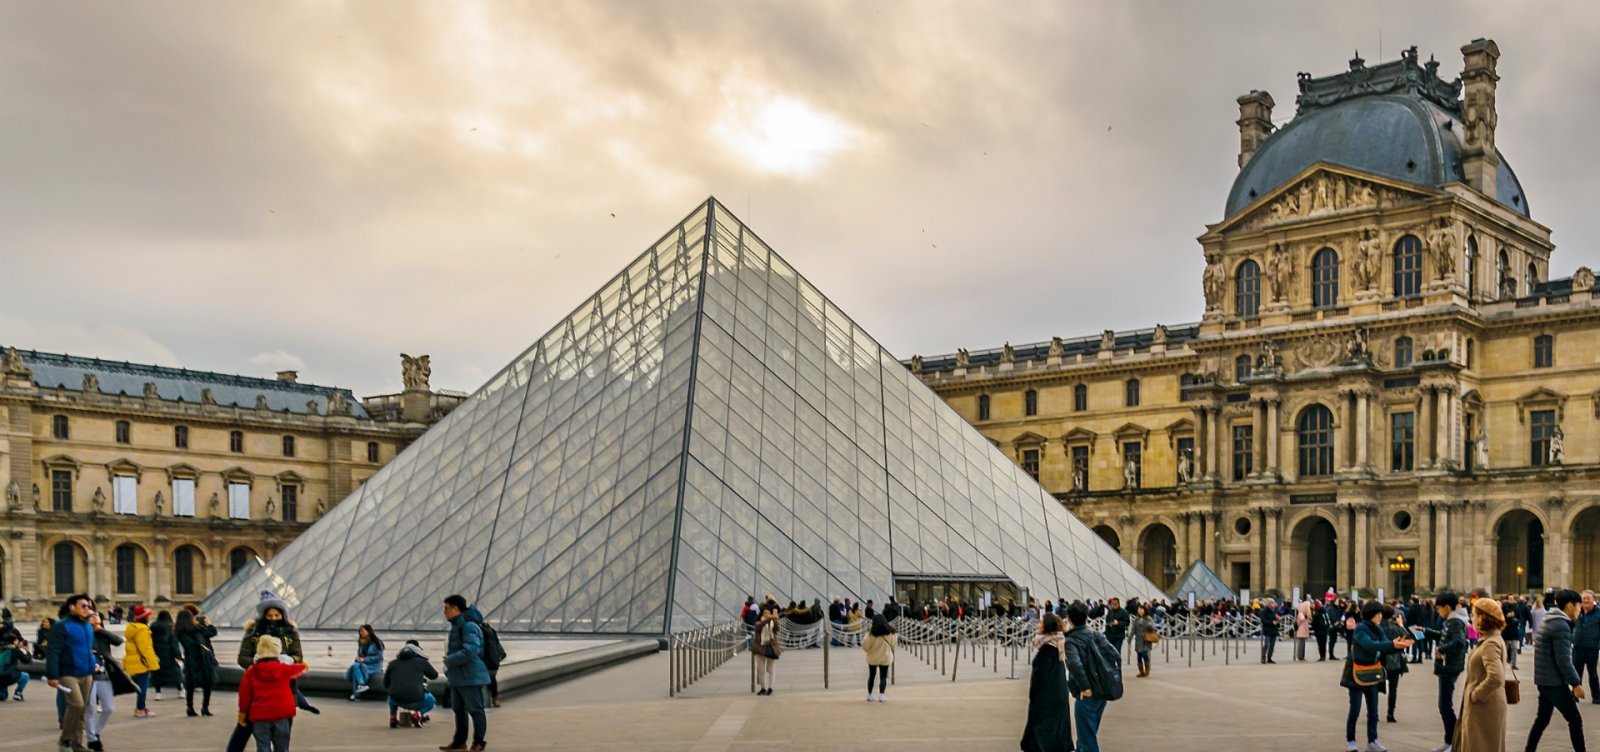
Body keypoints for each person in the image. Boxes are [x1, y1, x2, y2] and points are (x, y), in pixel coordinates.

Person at [1341, 600, 1413, 752]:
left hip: (1373, 672)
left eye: (1381, 613)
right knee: (1355, 709)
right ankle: (1351, 741)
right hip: (1356, 673)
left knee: (1373, 710)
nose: (1380, 616)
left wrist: (1398, 646)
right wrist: (1392, 645)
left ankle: (1372, 741)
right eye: (1378, 614)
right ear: (1370, 614)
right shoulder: (1360, 628)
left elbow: (1385, 645)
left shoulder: (1378, 629)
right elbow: (1370, 646)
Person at [1524, 589, 1587, 752]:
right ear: (1570, 606)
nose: (1580, 610)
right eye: (1579, 606)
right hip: (1554, 681)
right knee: (1575, 719)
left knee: (1542, 719)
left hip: (1544, 679)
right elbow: (1564, 660)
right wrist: (1576, 683)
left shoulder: (1550, 619)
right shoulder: (1561, 626)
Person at [237, 591, 317, 716]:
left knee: (285, 719)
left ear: (283, 615)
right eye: (269, 615)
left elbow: (298, 656)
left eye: (277, 615)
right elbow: (242, 658)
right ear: (264, 615)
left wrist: (288, 661)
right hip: (259, 683)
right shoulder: (253, 632)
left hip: (285, 683)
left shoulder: (291, 632)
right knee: (246, 725)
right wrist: (258, 663)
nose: (273, 618)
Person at [46, 594, 98, 752]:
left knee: (82, 710)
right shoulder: (62, 626)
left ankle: (77, 744)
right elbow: (53, 651)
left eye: (88, 606)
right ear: (72, 607)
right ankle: (65, 741)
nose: (87, 609)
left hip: (86, 673)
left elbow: (88, 650)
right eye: (83, 606)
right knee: (76, 705)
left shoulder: (88, 627)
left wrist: (93, 664)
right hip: (68, 672)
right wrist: (52, 675)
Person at [1063, 602, 1118, 752]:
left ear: (1068, 618)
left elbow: (1074, 664)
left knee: (1087, 739)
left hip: (1087, 693)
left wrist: (1085, 687)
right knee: (1087, 734)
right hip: (1102, 689)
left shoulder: (1071, 640)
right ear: (1087, 617)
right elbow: (1115, 655)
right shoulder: (1097, 635)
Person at [1454, 598, 1507, 752]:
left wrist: (1477, 694)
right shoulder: (1491, 639)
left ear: (1483, 618)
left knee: (1479, 746)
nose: (1472, 618)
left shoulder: (1490, 643)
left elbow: (1496, 676)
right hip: (1486, 704)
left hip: (1484, 706)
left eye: (1474, 615)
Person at [238, 635, 307, 752]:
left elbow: (244, 695)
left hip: (260, 715)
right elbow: (301, 668)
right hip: (282, 714)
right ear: (278, 650)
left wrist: (242, 713)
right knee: (282, 747)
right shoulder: (285, 669)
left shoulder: (251, 672)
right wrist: (294, 661)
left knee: (263, 747)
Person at [1422, 591, 1470, 752]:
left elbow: (1459, 642)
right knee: (1444, 705)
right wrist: (1426, 631)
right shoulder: (1451, 620)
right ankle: (1450, 741)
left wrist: (1441, 649)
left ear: (1447, 607)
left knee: (1445, 706)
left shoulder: (1455, 621)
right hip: (1448, 666)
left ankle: (1454, 741)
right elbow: (1446, 636)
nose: (1437, 611)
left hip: (1449, 666)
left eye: (1439, 608)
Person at [441, 594, 490, 752]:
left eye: (446, 608)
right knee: (459, 710)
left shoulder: (468, 626)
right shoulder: (457, 626)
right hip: (458, 676)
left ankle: (478, 742)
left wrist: (450, 660)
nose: (444, 612)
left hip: (470, 676)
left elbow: (471, 650)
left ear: (456, 609)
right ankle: (459, 741)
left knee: (475, 710)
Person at [1021, 612, 1072, 752]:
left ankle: (1039, 745)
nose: (1039, 625)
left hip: (1045, 693)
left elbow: (1041, 675)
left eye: (1041, 623)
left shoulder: (1046, 649)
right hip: (1059, 690)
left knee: (1042, 719)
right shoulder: (1060, 643)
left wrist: (1033, 693)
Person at [84, 611, 124, 752]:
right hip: (89, 674)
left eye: (97, 616)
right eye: (92, 616)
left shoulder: (102, 634)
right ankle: (92, 739)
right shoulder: (84, 634)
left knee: (108, 708)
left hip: (104, 674)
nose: (96, 617)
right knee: (90, 709)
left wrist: (100, 630)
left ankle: (96, 731)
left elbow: (118, 641)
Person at [385, 640, 438, 729]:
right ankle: (418, 714)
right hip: (415, 700)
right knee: (431, 700)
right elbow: (434, 675)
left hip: (396, 699)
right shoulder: (421, 662)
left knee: (391, 695)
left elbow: (386, 684)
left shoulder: (392, 663)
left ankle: (393, 717)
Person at [176, 606, 218, 717]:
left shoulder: (178, 631)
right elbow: (212, 632)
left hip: (190, 659)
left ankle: (190, 708)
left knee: (190, 684)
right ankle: (205, 708)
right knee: (208, 682)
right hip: (203, 659)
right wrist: (208, 623)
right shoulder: (197, 628)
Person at [121, 605, 160, 718]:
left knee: (141, 685)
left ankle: (141, 708)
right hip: (142, 662)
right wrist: (152, 662)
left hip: (133, 660)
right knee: (143, 686)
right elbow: (145, 648)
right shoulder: (142, 630)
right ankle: (140, 709)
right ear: (145, 618)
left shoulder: (132, 628)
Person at [1380, 605, 1410, 724]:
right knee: (1393, 689)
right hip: (1394, 661)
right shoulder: (1395, 628)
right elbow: (1407, 637)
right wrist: (1401, 625)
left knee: (1374, 688)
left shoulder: (1377, 627)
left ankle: (1373, 713)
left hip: (1379, 660)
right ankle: (1390, 713)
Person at [861, 613, 897, 702]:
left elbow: (865, 646)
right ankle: (882, 695)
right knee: (883, 676)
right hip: (885, 656)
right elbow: (893, 645)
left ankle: (870, 694)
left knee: (872, 675)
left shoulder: (871, 633)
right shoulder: (891, 632)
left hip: (873, 657)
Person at [150, 610, 183, 704]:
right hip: (169, 655)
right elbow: (174, 644)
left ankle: (158, 693)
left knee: (157, 675)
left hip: (157, 655)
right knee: (175, 674)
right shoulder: (170, 627)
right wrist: (178, 656)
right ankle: (181, 691)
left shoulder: (153, 627)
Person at [345, 625, 385, 701]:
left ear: (368, 631)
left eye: (362, 631)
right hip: (363, 664)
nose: (360, 632)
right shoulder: (361, 642)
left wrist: (364, 660)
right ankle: (361, 684)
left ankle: (355, 694)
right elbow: (360, 655)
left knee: (356, 669)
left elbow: (378, 657)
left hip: (374, 666)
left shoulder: (377, 643)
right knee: (356, 666)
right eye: (359, 631)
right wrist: (358, 659)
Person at [1574, 590, 1598, 705]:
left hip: (1592, 647)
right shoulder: (1577, 611)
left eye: (1588, 598)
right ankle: (1574, 695)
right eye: (1584, 598)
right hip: (1577, 647)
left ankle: (1596, 696)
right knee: (1576, 672)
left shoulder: (1598, 613)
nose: (1586, 600)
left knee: (1592, 673)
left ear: (1593, 600)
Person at [753, 605, 780, 696]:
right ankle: (763, 688)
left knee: (771, 669)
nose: (767, 614)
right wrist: (770, 618)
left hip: (771, 647)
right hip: (760, 648)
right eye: (765, 613)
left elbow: (776, 630)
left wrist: (775, 621)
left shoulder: (773, 621)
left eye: (769, 613)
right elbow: (759, 627)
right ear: (761, 613)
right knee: (761, 669)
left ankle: (770, 688)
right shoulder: (758, 622)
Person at [1, 631, 32, 702]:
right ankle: (18, 693)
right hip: (9, 676)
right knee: (25, 676)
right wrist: (27, 651)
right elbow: (26, 660)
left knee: (3, 696)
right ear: (14, 641)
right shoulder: (14, 650)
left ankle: (2, 693)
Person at [1130, 606, 1155, 678]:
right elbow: (1133, 629)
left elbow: (1153, 628)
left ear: (1144, 610)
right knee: (1139, 656)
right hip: (1138, 640)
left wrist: (1150, 626)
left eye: (1142, 610)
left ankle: (1147, 669)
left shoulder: (1148, 618)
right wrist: (1130, 638)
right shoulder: (1136, 619)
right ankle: (1141, 672)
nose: (1140, 611)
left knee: (1144, 654)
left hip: (1146, 639)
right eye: (1139, 610)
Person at [1260, 599, 1280, 664]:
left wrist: (1278, 621)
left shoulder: (1274, 611)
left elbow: (1275, 619)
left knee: (1272, 645)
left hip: (1274, 630)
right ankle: (1263, 658)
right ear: (1269, 603)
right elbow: (1263, 620)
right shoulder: (1264, 611)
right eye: (1273, 603)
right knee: (1266, 644)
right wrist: (1272, 622)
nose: (1274, 604)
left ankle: (1269, 658)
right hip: (1267, 630)